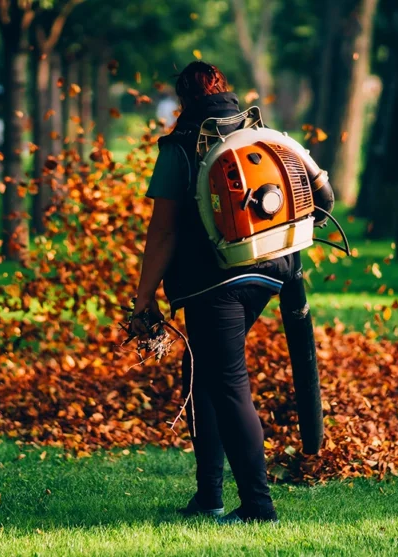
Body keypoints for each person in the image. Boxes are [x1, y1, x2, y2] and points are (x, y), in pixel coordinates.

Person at [131, 61, 333, 524]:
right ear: (226, 91)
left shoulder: (180, 147)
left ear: (184, 100)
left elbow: (162, 233)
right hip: (271, 273)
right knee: (201, 368)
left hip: (214, 282)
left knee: (227, 383)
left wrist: (144, 299)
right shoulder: (265, 136)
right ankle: (208, 497)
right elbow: (325, 198)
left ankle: (259, 508)